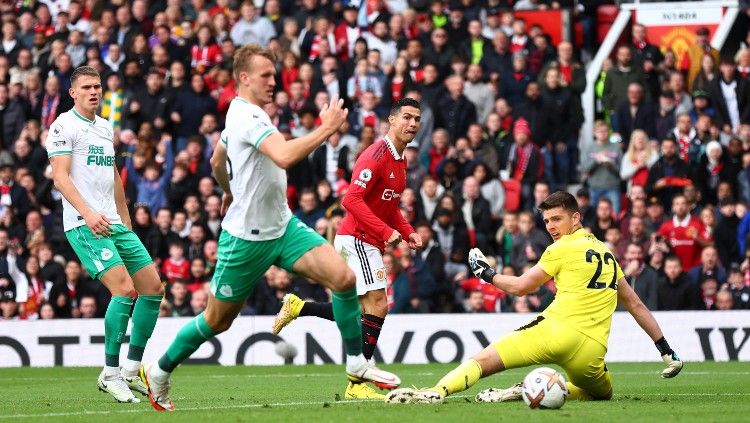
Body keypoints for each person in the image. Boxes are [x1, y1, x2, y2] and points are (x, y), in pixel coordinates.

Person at [140, 45, 398, 412]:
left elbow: (217, 158)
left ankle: (357, 363)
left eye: (275, 75)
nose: (274, 82)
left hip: (284, 227)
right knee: (216, 321)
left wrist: (229, 189)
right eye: (266, 75)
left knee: (343, 279)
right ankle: (160, 370)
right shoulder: (248, 117)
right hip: (245, 240)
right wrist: (326, 128)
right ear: (243, 77)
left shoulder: (243, 113)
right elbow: (286, 155)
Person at [385, 191, 682, 404]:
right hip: (591, 352)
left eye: (557, 219)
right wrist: (665, 349)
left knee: (484, 360)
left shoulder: (559, 249)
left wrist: (486, 274)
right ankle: (534, 390)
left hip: (553, 333)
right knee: (601, 394)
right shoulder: (607, 252)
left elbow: (520, 287)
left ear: (576, 218)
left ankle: (436, 392)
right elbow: (635, 304)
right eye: (547, 221)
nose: (551, 227)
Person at [272, 98, 423, 399]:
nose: (412, 124)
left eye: (417, 119)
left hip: (366, 238)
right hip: (358, 238)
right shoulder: (376, 156)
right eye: (406, 117)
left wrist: (407, 231)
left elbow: (388, 205)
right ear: (391, 121)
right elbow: (350, 200)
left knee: (357, 309)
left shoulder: (400, 159)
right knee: (378, 304)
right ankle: (357, 383)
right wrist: (384, 231)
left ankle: (301, 307)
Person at [46, 66, 164, 403]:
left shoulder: (103, 126)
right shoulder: (63, 126)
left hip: (113, 220)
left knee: (153, 289)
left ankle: (130, 370)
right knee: (124, 290)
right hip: (84, 223)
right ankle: (110, 374)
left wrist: (124, 217)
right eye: (86, 87)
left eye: (97, 86)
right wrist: (88, 212)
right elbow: (60, 177)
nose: (94, 92)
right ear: (73, 92)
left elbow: (112, 173)